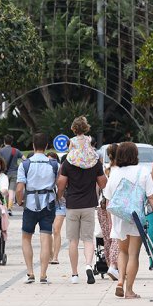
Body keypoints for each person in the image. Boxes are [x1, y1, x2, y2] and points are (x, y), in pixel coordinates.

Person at [102, 142, 153, 298]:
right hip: (136, 217)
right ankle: (129, 290)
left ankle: (120, 280)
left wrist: (110, 220)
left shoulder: (114, 173)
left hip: (119, 216)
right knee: (133, 254)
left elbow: (108, 198)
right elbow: (152, 196)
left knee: (123, 251)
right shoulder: (143, 172)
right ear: (135, 155)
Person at [57, 117, 107, 285]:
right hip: (89, 204)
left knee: (73, 240)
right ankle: (88, 265)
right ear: (87, 132)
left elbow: (61, 183)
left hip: (72, 204)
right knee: (88, 239)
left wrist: (60, 196)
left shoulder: (68, 161)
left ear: (73, 131)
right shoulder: (94, 159)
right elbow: (103, 182)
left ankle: (74, 274)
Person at [15, 133, 60, 284]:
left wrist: (20, 201)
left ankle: (30, 273)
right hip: (49, 204)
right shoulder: (54, 164)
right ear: (47, 146)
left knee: (26, 237)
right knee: (45, 238)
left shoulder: (25, 165)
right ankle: (43, 274)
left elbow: (20, 188)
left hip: (30, 204)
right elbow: (60, 185)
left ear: (33, 146)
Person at [97, 143, 120, 281]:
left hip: (102, 206)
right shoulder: (121, 170)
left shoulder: (106, 170)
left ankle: (109, 265)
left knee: (107, 238)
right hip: (115, 206)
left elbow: (100, 189)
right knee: (117, 236)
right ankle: (114, 265)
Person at [46, 152, 66, 265]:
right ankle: (50, 253)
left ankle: (55, 256)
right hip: (48, 202)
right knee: (47, 231)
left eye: (53, 160)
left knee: (56, 229)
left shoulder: (61, 172)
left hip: (60, 203)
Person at [0, 135, 21, 210]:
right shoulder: (16, 150)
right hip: (14, 173)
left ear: (4, 142)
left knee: (5, 190)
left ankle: (5, 206)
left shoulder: (1, 151)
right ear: (12, 142)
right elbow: (25, 159)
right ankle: (10, 207)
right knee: (11, 191)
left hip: (4, 173)